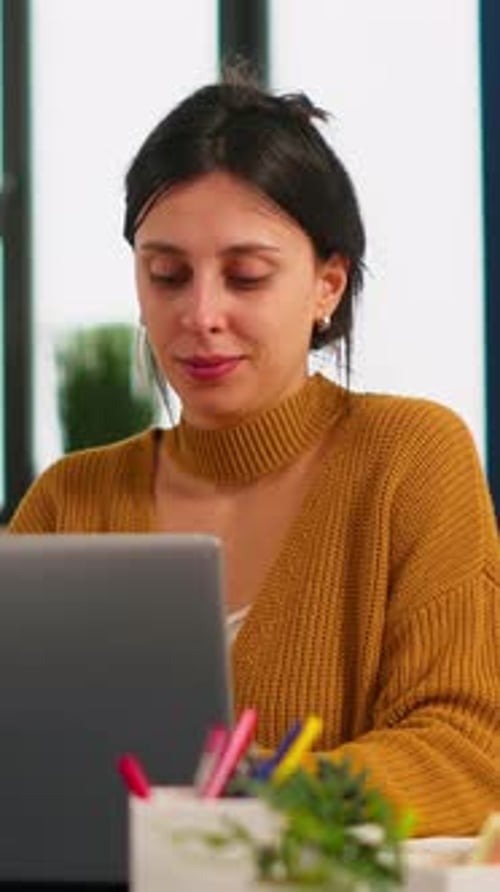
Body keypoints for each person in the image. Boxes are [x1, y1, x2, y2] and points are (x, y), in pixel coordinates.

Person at [9, 69, 500, 836]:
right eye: (165, 275)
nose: (200, 315)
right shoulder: (71, 499)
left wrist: (248, 806)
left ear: (326, 286)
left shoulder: (411, 457)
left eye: (246, 276)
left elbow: (466, 752)